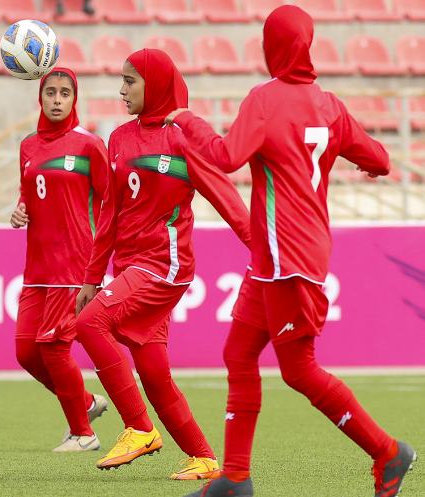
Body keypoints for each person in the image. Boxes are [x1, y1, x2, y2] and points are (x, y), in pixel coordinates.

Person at [164, 6, 416, 497]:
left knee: (300, 370)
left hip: (288, 260)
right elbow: (382, 160)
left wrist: (188, 121)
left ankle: (387, 451)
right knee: (239, 353)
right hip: (280, 257)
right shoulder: (329, 105)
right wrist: (364, 165)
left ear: (271, 46)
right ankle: (235, 479)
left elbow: (225, 157)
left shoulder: (265, 99)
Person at [74, 49, 252, 480]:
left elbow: (225, 197)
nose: (121, 90)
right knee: (153, 371)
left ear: (153, 85)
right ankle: (204, 458)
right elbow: (111, 212)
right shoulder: (118, 138)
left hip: (164, 263)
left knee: (89, 325)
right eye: (121, 80)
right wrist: (93, 277)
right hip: (129, 266)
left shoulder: (182, 138)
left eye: (130, 81)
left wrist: (262, 248)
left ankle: (138, 427)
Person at [10, 68, 110, 452]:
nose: (56, 99)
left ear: (74, 99)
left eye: (64, 93)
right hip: (37, 265)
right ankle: (85, 402)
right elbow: (28, 192)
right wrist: (20, 210)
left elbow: (111, 203)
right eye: (50, 92)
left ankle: (83, 434)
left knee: (53, 349)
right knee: (26, 352)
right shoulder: (28, 145)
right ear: (40, 98)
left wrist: (99, 263)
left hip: (73, 263)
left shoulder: (89, 145)